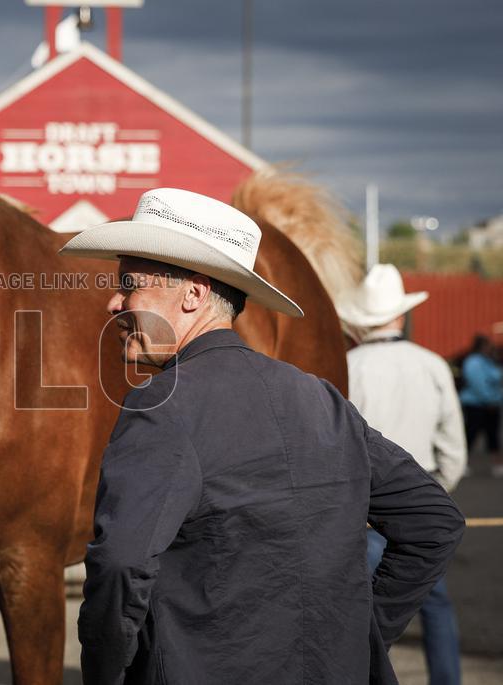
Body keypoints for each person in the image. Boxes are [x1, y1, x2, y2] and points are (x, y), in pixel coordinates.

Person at [60, 188, 466, 685]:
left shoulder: (161, 406)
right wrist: (357, 636)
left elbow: (121, 564)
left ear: (193, 293)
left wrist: (103, 674)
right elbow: (435, 521)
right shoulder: (320, 398)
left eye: (129, 284)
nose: (112, 302)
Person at [337, 263, 467, 685]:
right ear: (400, 314)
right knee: (434, 606)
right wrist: (434, 493)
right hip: (421, 509)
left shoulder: (345, 368)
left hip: (361, 511)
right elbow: (454, 449)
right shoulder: (431, 365)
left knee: (366, 613)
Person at [459, 334, 503, 477]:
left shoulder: (490, 361)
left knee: (493, 435)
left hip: (491, 405)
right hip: (476, 405)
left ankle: (497, 464)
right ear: (481, 346)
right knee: (471, 434)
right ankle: (462, 463)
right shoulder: (473, 362)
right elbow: (477, 383)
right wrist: (489, 400)